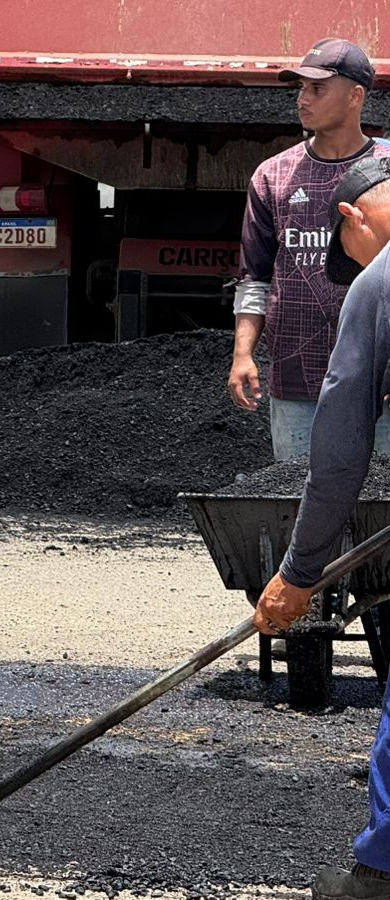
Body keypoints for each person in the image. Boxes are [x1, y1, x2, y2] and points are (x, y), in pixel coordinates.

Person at [256, 156, 390, 900]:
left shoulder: (378, 286)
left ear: (352, 219)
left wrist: (300, 572)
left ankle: (380, 873)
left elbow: (337, 457)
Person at [230, 38, 390, 460]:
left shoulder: (387, 171)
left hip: (382, 376)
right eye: (301, 88)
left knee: (382, 506)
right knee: (299, 496)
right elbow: (255, 276)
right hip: (297, 376)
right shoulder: (273, 176)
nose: (303, 98)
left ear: (356, 96)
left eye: (317, 88)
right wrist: (243, 353)